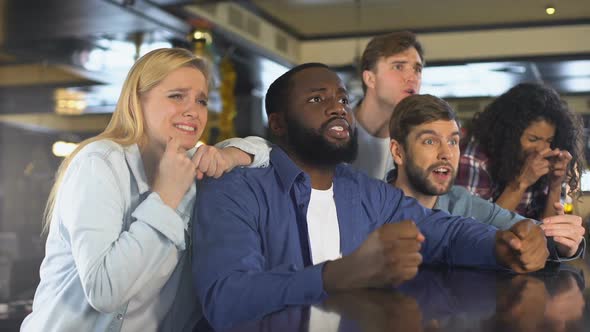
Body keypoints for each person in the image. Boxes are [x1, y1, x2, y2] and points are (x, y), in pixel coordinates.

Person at [192, 63, 551, 329]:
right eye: (317, 99)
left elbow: (444, 232)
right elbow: (227, 299)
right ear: (279, 123)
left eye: (342, 98)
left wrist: (501, 246)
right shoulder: (235, 188)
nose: (338, 107)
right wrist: (338, 274)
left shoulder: (363, 191)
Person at [20, 48, 269, 331]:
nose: (193, 110)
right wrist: (165, 198)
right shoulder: (100, 162)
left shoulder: (191, 168)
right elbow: (105, 291)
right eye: (177, 96)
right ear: (138, 100)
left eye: (200, 100)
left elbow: (268, 153)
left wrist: (232, 154)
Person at [387, 94, 585, 259]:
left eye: (453, 142)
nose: (446, 153)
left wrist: (564, 240)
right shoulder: (370, 204)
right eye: (430, 141)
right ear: (397, 152)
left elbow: (533, 233)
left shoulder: (463, 202)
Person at [455, 83, 586, 220]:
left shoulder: (542, 163)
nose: (543, 149)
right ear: (507, 135)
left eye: (549, 141)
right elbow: (473, 232)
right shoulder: (474, 159)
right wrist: (521, 183)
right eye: (533, 139)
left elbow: (548, 232)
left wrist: (555, 185)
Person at [352, 31, 423, 179]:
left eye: (417, 69)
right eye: (398, 67)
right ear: (370, 79)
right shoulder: (331, 130)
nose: (412, 77)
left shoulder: (416, 144)